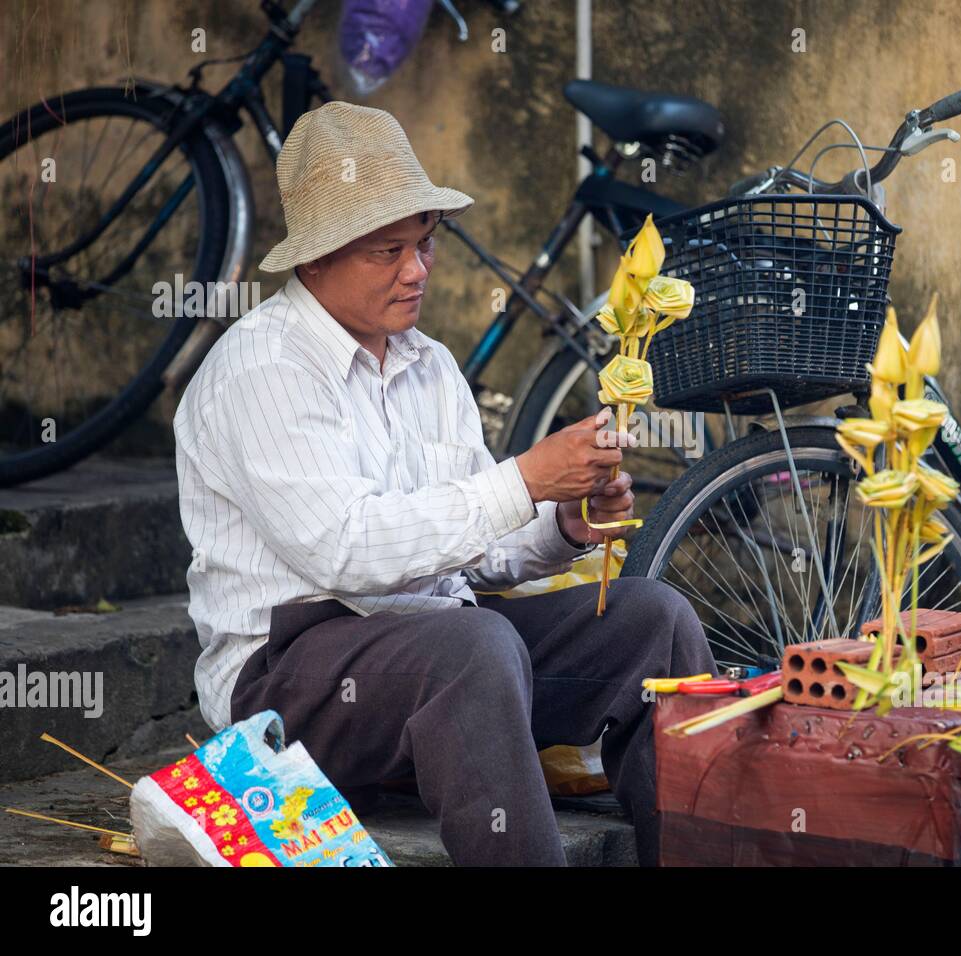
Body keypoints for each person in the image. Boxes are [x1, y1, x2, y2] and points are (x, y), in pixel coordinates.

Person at [173, 101, 715, 866]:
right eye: (388, 250)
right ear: (315, 258)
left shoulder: (428, 364)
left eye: (425, 243)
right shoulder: (263, 368)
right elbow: (347, 551)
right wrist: (526, 478)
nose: (417, 269)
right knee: (472, 644)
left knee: (654, 619)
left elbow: (473, 551)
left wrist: (563, 522)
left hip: (442, 661)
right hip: (286, 686)